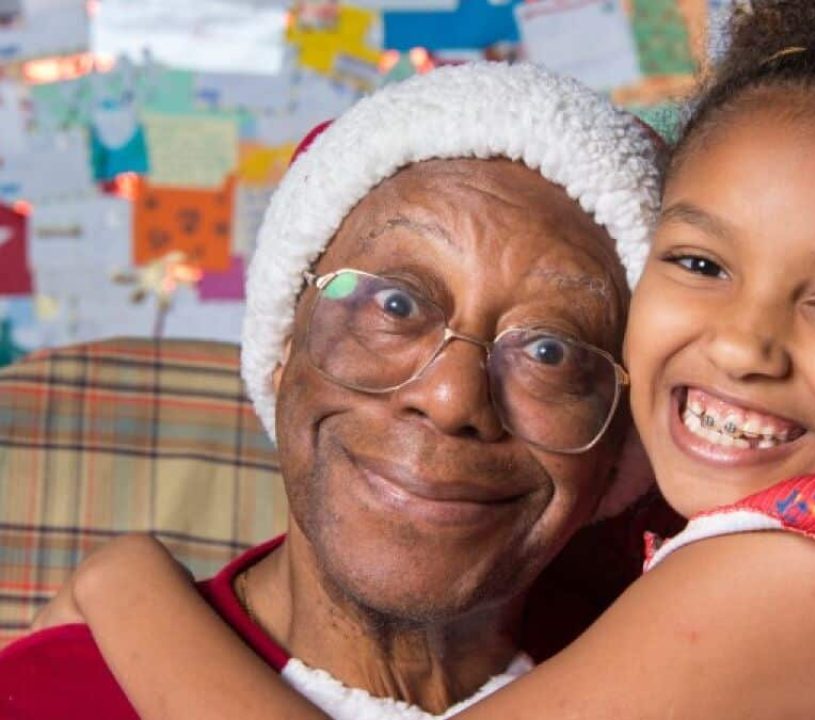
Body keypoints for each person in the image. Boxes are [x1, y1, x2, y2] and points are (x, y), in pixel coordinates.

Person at [20, 0, 815, 716]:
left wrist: (128, 584)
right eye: (701, 265)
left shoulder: (797, 575)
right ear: (279, 346)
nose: (741, 343)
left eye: (547, 347)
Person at [0, 62, 666, 720]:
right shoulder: (48, 697)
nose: (451, 398)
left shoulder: (687, 675)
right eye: (397, 306)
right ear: (284, 343)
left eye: (550, 352)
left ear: (619, 453)